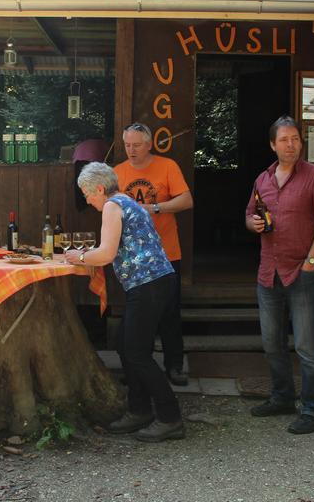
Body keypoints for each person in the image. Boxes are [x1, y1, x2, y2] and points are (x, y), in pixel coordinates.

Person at [65, 162, 185, 442]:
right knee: (125, 347)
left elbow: (106, 254)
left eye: (87, 194)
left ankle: (170, 418)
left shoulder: (112, 206)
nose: (87, 200)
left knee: (137, 353)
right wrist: (87, 255)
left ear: (99, 188)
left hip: (148, 284)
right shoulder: (128, 202)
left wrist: (77, 257)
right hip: (155, 282)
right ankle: (139, 410)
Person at [244, 116, 314, 435]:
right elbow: (250, 214)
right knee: (272, 343)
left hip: (301, 272)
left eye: (295, 139)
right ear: (273, 145)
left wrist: (310, 263)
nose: (291, 145)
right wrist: (252, 224)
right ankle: (282, 398)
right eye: (284, 140)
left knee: (307, 346)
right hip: (268, 272)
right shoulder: (263, 179)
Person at [114, 122, 194, 386]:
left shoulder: (167, 166)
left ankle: (174, 366)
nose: (131, 150)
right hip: (132, 256)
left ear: (149, 144)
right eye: (127, 145)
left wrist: (155, 208)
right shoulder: (118, 172)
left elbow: (186, 200)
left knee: (169, 312)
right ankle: (139, 367)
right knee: (138, 314)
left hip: (165, 253)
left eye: (137, 145)